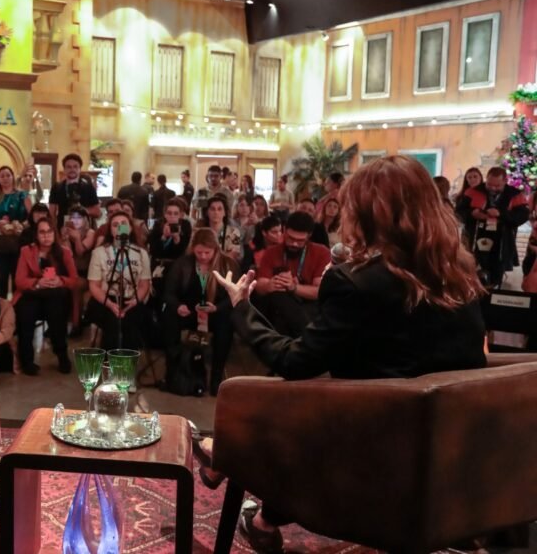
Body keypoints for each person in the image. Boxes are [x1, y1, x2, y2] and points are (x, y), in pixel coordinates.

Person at [201, 155, 486, 552]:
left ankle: (227, 457)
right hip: (452, 449)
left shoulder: (355, 282)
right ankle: (248, 497)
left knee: (263, 398)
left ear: (365, 214)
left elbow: (295, 361)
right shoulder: (461, 274)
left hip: (364, 444)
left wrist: (241, 307)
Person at [161, 229, 237, 396]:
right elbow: (169, 293)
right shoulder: (183, 264)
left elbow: (235, 296)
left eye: (207, 253)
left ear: (215, 250)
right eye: (199, 252)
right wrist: (178, 306)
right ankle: (174, 372)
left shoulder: (227, 265)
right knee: (169, 318)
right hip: (189, 310)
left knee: (226, 324)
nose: (203, 256)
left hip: (216, 312)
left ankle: (216, 378)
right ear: (193, 249)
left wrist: (216, 308)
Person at [14, 218, 79, 375]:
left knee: (56, 307)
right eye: (42, 232)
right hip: (33, 294)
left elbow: (74, 280)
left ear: (54, 233)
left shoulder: (64, 252)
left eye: (49, 232)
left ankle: (62, 355)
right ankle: (27, 360)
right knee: (26, 310)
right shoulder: (26, 251)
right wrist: (38, 282)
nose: (46, 236)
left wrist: (60, 280)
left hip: (55, 296)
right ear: (36, 235)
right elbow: (19, 281)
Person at [253, 211, 332, 338]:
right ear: (284, 230)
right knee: (277, 296)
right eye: (290, 238)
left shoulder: (321, 252)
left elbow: (320, 291)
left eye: (300, 241)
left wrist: (294, 288)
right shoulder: (272, 252)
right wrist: (271, 284)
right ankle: (306, 338)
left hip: (309, 307)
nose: (294, 244)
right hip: (279, 306)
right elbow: (259, 285)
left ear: (309, 236)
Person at [86, 210, 152, 351]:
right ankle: (110, 358)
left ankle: (126, 359)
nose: (120, 227)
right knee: (112, 322)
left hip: (132, 298)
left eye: (123, 224)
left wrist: (135, 301)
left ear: (130, 228)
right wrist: (110, 304)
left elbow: (144, 284)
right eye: (115, 225)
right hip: (105, 299)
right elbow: (94, 286)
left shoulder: (141, 253)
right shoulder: (99, 253)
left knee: (131, 322)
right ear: (110, 230)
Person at [456, 166, 529, 287]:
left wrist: (501, 214)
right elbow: (458, 212)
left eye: (497, 186)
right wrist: (472, 214)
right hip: (475, 238)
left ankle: (493, 289)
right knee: (472, 274)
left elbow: (522, 216)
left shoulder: (515, 195)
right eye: (489, 184)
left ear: (505, 181)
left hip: (501, 241)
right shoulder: (472, 192)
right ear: (486, 179)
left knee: (495, 276)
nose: (493, 188)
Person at [0, 165, 31, 298]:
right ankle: (1, 305)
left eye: (8, 175)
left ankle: (17, 305)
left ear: (13, 177)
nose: (5, 178)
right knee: (2, 275)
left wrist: (21, 225)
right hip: (0, 240)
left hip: (19, 239)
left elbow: (31, 215)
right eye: (2, 176)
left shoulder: (22, 195)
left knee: (17, 274)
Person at [60, 205, 94, 334]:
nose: (75, 220)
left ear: (86, 219)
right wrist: (65, 239)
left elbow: (80, 252)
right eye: (73, 217)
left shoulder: (90, 233)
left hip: (85, 275)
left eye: (79, 217)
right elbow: (66, 256)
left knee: (76, 285)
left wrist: (78, 238)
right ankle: (57, 324)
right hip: (69, 272)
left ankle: (76, 324)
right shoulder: (67, 232)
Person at [49, 153, 100, 230]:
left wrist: (82, 210)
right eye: (69, 167)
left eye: (75, 166)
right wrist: (55, 231)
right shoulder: (57, 187)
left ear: (80, 169)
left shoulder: (88, 187)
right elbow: (51, 213)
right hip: (63, 229)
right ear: (64, 169)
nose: (72, 169)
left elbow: (97, 212)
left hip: (84, 230)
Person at [148, 198, 192, 270]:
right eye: (169, 213)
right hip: (159, 265)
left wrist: (177, 239)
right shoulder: (158, 224)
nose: (172, 216)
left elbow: (182, 251)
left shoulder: (185, 225)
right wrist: (164, 237)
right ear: (165, 214)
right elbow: (153, 250)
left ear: (180, 215)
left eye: (176, 213)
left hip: (177, 265)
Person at [198, 196, 242, 261]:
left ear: (224, 213)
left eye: (219, 209)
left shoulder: (233, 232)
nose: (216, 212)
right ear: (207, 212)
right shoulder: (200, 232)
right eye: (212, 209)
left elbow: (233, 255)